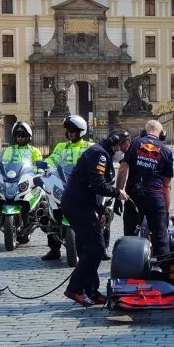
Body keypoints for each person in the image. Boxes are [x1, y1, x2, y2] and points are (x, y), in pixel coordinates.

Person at [62, 129, 131, 307]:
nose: (124, 151)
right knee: (96, 247)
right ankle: (75, 288)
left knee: (88, 248)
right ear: (115, 143)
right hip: (78, 205)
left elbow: (94, 189)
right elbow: (98, 184)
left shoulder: (102, 153)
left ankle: (91, 291)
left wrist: (100, 212)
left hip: (84, 204)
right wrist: (118, 193)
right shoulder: (98, 154)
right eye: (123, 147)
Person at [115, 120, 174, 257]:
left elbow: (123, 169)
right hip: (156, 197)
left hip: (134, 196)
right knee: (161, 239)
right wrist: (166, 210)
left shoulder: (135, 143)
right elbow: (167, 185)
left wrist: (118, 193)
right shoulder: (166, 151)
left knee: (130, 236)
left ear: (144, 131)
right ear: (162, 134)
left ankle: (130, 267)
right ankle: (161, 268)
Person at [41, 114, 93, 261]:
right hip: (65, 183)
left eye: (73, 130)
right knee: (49, 210)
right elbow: (53, 158)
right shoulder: (61, 147)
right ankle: (54, 250)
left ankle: (103, 248)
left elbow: (97, 161)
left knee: (102, 210)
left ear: (81, 131)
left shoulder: (89, 147)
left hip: (84, 185)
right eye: (68, 130)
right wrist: (45, 165)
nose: (70, 133)